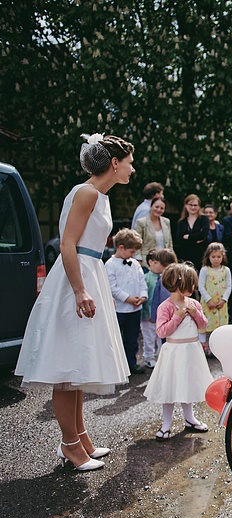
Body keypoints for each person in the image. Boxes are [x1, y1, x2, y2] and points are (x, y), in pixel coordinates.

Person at [15, 133, 134, 472]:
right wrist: (80, 290)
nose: (132, 168)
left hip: (90, 270)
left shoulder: (100, 196)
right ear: (114, 163)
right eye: (129, 162)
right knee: (67, 369)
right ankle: (69, 445)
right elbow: (68, 244)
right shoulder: (85, 193)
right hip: (75, 277)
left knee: (79, 365)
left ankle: (81, 437)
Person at [144, 263, 214, 441]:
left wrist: (195, 313)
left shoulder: (194, 303)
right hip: (174, 352)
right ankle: (166, 423)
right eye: (191, 283)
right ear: (178, 283)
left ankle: (189, 418)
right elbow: (161, 332)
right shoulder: (165, 307)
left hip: (191, 350)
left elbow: (204, 325)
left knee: (187, 384)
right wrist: (177, 317)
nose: (194, 287)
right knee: (170, 386)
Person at [106, 228, 148, 375]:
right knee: (117, 338)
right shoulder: (110, 264)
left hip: (135, 310)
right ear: (121, 247)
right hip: (119, 309)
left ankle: (131, 363)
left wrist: (142, 296)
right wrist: (127, 298)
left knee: (132, 339)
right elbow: (112, 287)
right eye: (131, 251)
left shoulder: (135, 264)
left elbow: (142, 282)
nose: (133, 254)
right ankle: (115, 368)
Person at [141, 248, 178, 368]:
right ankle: (148, 357)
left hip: (164, 316)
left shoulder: (170, 280)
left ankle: (163, 357)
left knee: (162, 338)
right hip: (148, 314)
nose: (155, 265)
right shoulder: (146, 277)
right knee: (149, 338)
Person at [198, 243, 232, 354]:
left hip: (221, 304)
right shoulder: (205, 270)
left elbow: (229, 286)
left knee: (219, 326)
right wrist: (208, 300)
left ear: (223, 257)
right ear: (208, 257)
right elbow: (201, 286)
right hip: (208, 304)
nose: (216, 259)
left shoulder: (226, 270)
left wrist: (224, 300)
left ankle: (217, 348)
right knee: (204, 325)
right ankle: (203, 346)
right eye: (213, 257)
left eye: (218, 257)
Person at [175, 194, 209, 270]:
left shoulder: (203, 219)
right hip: (185, 255)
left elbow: (203, 234)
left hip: (200, 255)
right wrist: (195, 239)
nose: (193, 207)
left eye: (195, 205)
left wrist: (188, 237)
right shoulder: (181, 222)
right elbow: (178, 239)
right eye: (190, 205)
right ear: (186, 206)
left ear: (199, 207)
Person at [134, 196, 173, 262]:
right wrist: (138, 259)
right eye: (156, 207)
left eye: (162, 208)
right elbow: (136, 243)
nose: (159, 210)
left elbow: (170, 243)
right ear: (151, 206)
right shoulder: (141, 222)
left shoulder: (166, 222)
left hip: (164, 261)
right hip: (147, 261)